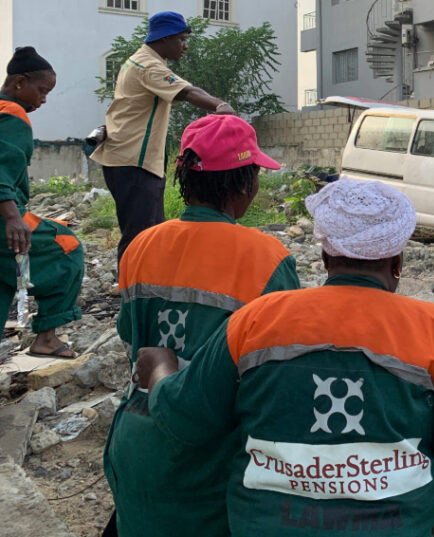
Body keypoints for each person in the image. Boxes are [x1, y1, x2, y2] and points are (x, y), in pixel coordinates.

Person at [134, 178, 434, 536]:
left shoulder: (255, 321)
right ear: (397, 258)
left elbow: (185, 417)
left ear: (326, 254)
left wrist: (162, 369)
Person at [103, 115, 300, 537]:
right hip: (210, 462)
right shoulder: (266, 257)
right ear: (245, 185)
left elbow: (128, 335)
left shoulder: (141, 245)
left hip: (137, 444)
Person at [90, 11, 237, 263]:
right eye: (181, 39)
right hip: (134, 160)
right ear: (165, 38)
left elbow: (184, 90)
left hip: (129, 158)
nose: (185, 46)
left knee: (151, 229)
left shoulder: (140, 61)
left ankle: (146, 285)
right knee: (140, 233)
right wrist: (220, 106)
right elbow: (189, 92)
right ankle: (131, 289)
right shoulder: (149, 66)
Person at [0, 47, 83, 358]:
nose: (44, 99)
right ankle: (47, 337)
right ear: (20, 82)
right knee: (67, 246)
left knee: (3, 276)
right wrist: (11, 216)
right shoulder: (12, 113)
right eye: (42, 90)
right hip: (3, 213)